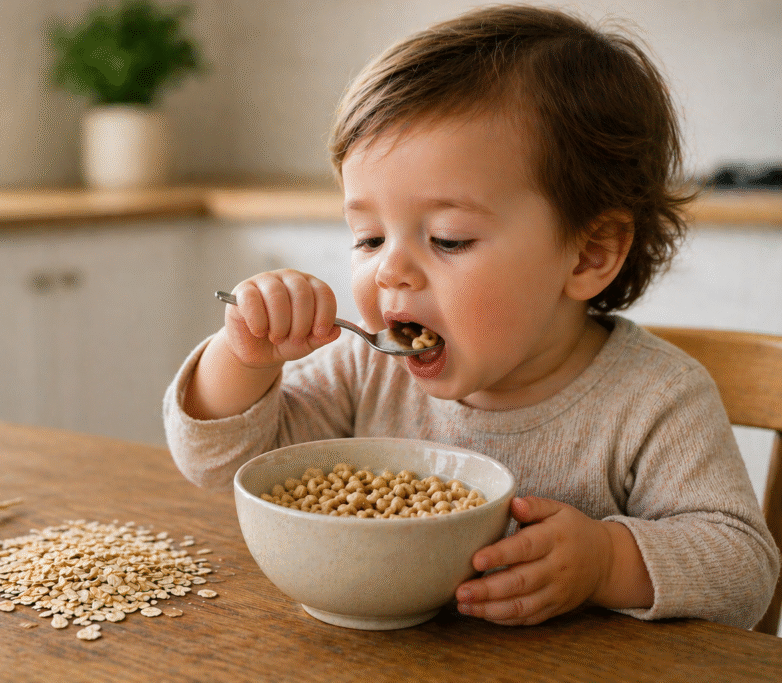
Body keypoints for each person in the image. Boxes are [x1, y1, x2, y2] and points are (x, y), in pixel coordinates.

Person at [163, 5, 779, 628]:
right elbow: (218, 462)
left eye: (449, 239)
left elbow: (745, 572)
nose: (389, 272)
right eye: (369, 238)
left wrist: (604, 563)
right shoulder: (364, 369)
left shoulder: (655, 400)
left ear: (589, 254)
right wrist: (242, 358)